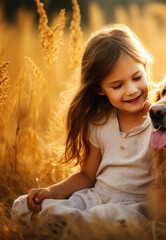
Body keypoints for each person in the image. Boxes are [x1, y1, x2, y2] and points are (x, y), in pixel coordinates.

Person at [11, 24, 154, 223]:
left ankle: (66, 223)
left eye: (137, 77)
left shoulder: (160, 122)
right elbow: (87, 176)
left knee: (105, 217)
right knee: (22, 205)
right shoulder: (100, 122)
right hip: (96, 196)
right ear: (99, 88)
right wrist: (51, 191)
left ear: (145, 67)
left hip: (132, 206)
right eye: (117, 85)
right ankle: (64, 221)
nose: (131, 90)